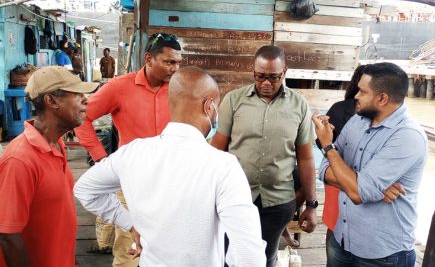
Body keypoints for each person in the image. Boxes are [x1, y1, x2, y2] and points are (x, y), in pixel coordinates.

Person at [74, 67, 267, 266]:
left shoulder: (131, 153)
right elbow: (249, 253)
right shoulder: (223, 167)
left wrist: (130, 223)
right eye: (217, 109)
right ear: (209, 106)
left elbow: (85, 189)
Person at [74, 32, 182, 267]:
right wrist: (101, 158)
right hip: (131, 181)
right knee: (128, 249)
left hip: (171, 181)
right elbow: (82, 117)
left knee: (168, 245)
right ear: (149, 59)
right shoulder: (119, 87)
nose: (175, 69)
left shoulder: (180, 89)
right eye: (169, 62)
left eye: (178, 63)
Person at [211, 45, 318, 267]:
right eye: (260, 77)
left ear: (284, 72)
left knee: (266, 257)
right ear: (253, 71)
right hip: (235, 198)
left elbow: (306, 158)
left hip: (278, 202)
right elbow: (217, 150)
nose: (266, 83)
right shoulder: (234, 100)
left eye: (273, 77)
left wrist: (311, 205)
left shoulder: (299, 105)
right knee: (229, 255)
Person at [313, 62, 427, 267]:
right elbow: (323, 170)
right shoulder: (358, 120)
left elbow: (357, 192)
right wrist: (368, 187)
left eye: (362, 91)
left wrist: (328, 147)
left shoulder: (407, 136)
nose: (356, 96)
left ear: (382, 99)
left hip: (382, 253)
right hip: (343, 238)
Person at [0, 66, 98, 267]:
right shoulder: (20, 160)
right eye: (77, 95)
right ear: (52, 101)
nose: (85, 100)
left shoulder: (57, 144)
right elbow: (7, 236)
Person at [319, 64, 367, 243]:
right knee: (336, 223)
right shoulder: (340, 109)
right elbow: (323, 146)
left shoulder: (389, 122)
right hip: (337, 177)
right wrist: (326, 138)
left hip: (365, 182)